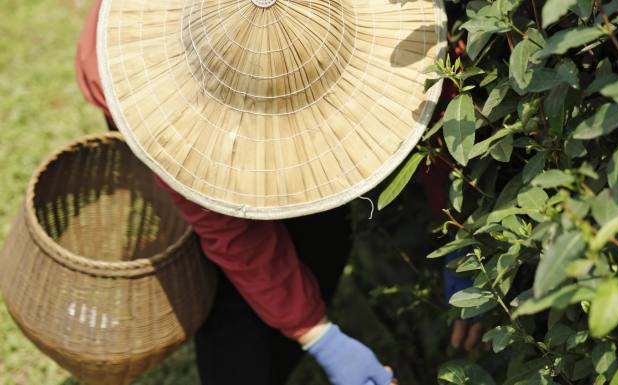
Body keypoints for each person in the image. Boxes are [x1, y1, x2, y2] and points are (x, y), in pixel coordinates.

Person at [75, 1, 482, 385]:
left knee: (322, 232)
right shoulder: (161, 116)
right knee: (233, 294)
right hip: (172, 66)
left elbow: (437, 99)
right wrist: (318, 334)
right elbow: (235, 236)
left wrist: (460, 228)